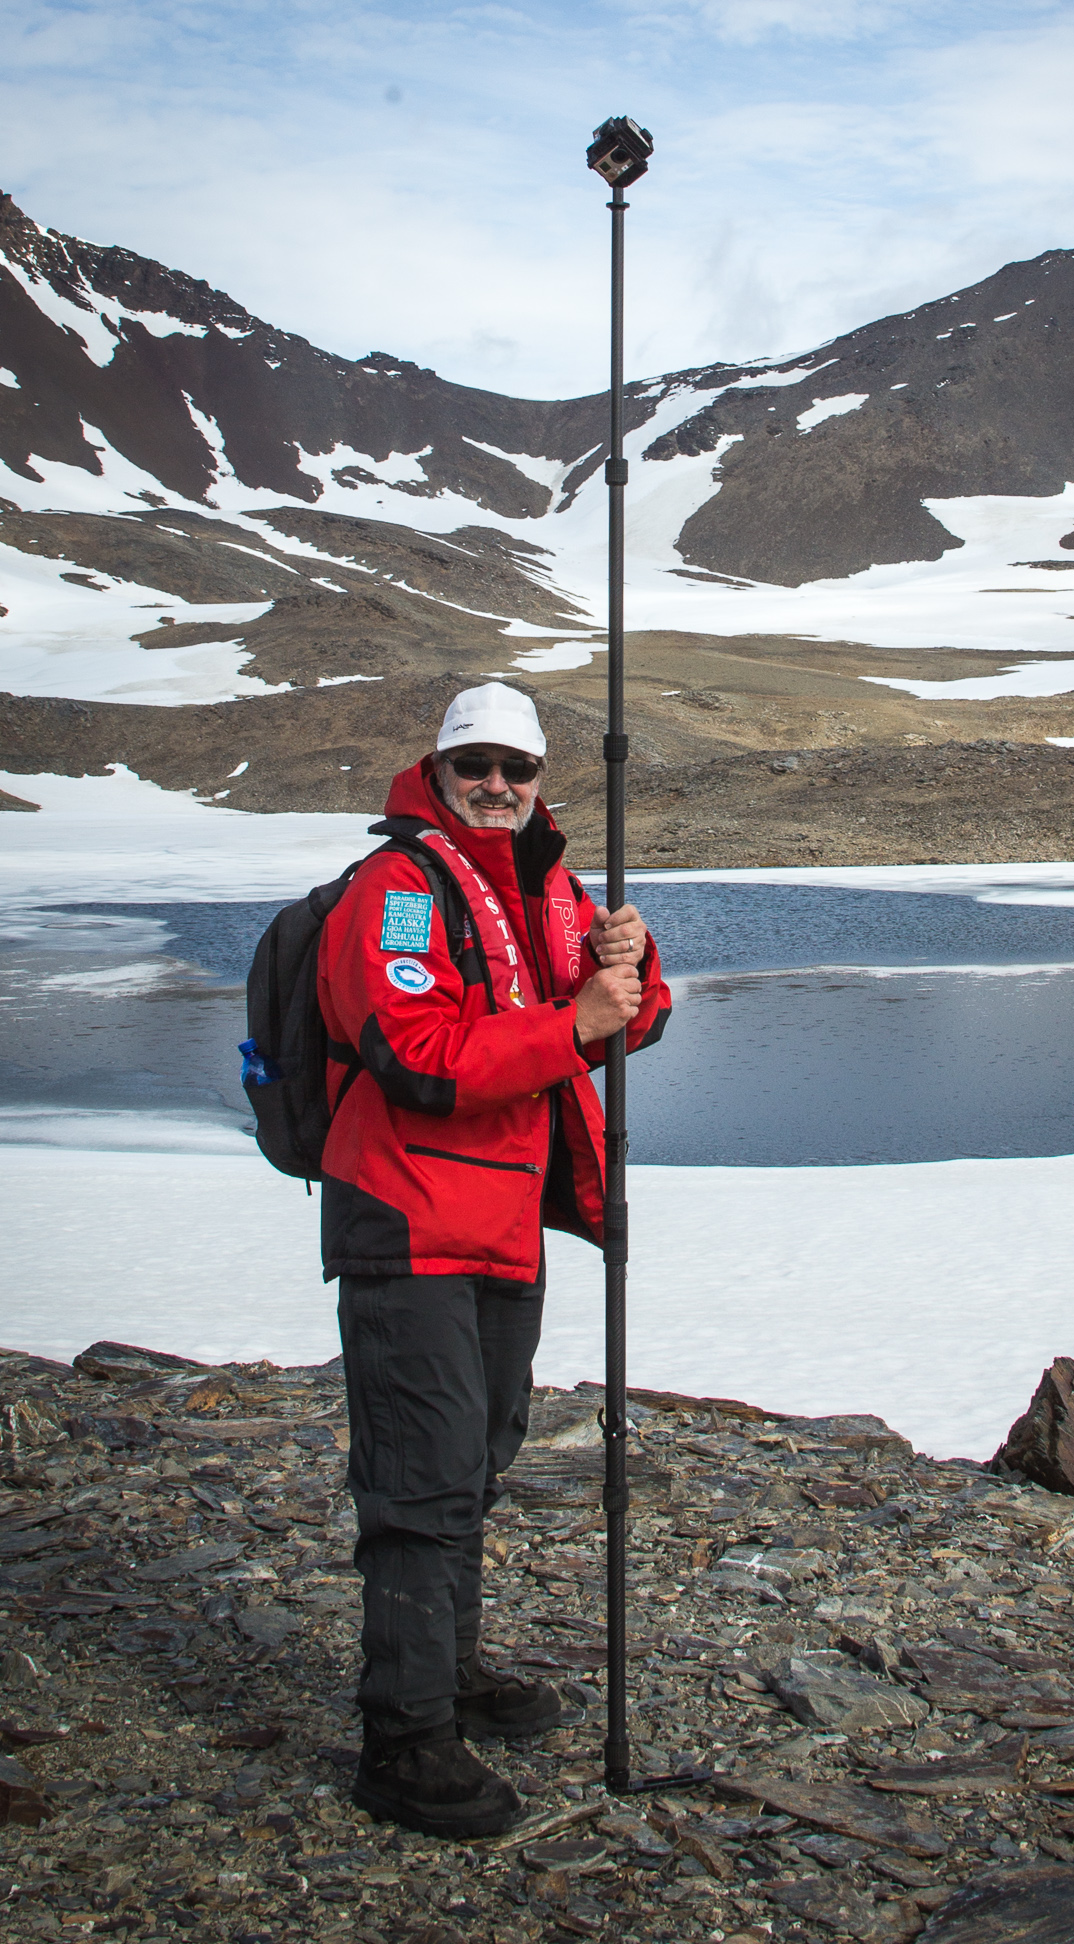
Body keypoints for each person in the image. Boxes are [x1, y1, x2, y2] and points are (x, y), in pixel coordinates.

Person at [315, 681, 669, 1839]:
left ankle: (450, 1671)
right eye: (477, 764)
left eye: (518, 767)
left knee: (475, 1458)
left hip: (503, 1226)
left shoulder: (549, 889)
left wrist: (632, 968)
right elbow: (415, 1051)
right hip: (409, 1222)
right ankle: (404, 1737)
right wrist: (575, 1022)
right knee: (420, 1478)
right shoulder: (398, 893)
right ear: (440, 765)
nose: (498, 785)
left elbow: (627, 1014)